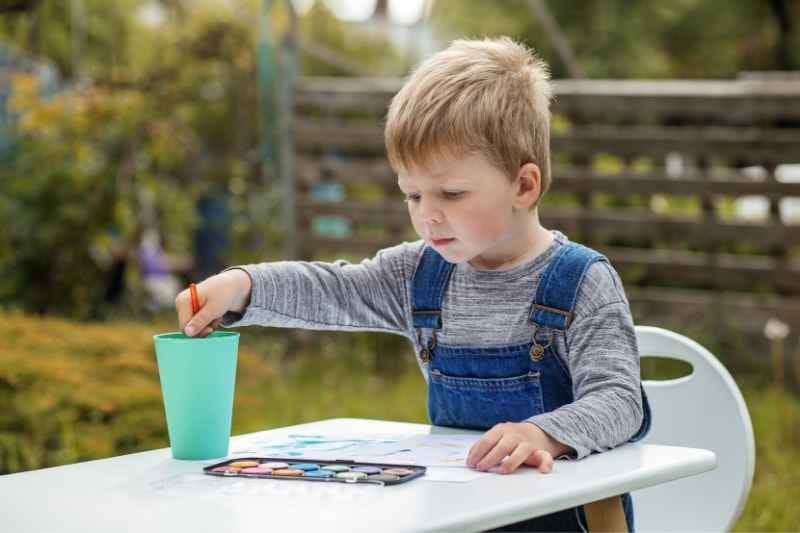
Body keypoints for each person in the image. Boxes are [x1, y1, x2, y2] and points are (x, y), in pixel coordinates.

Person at [176, 37, 651, 531]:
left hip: (566, 517)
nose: (428, 216)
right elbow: (335, 290)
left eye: (451, 193)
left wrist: (543, 433)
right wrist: (242, 286)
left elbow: (620, 402)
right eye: (412, 195)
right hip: (461, 516)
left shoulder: (582, 282)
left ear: (524, 186)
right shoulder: (420, 276)